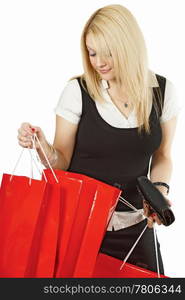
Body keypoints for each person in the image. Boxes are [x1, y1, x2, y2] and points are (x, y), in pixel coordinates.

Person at [17, 4, 180, 275]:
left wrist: (159, 193)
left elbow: (163, 155)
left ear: (129, 47)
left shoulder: (163, 92)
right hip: (78, 230)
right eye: (92, 53)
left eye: (108, 53)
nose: (99, 62)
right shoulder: (77, 92)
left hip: (136, 227)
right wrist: (41, 147)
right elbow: (61, 162)